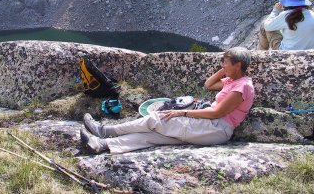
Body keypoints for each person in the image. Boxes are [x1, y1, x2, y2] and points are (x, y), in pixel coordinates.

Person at [80, 47, 255, 154]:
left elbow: (217, 112)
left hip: (217, 128)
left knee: (160, 118)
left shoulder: (242, 87)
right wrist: (224, 69)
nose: (222, 66)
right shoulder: (233, 81)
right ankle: (102, 144)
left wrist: (182, 112)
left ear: (238, 65)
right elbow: (209, 85)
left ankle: (105, 131)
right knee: (154, 137)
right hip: (209, 126)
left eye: (225, 63)